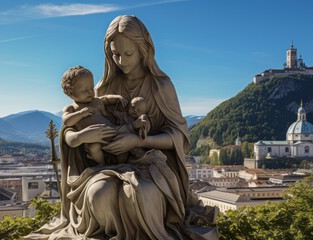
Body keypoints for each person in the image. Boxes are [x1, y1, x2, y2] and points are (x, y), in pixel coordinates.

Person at [27, 15, 217, 240]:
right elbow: (75, 124)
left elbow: (179, 137)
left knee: (139, 193)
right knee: (99, 193)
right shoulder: (102, 87)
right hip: (107, 164)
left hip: (151, 164)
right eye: (115, 54)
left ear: (143, 49)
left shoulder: (161, 86)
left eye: (128, 54)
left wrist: (139, 141)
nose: (122, 61)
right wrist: (81, 137)